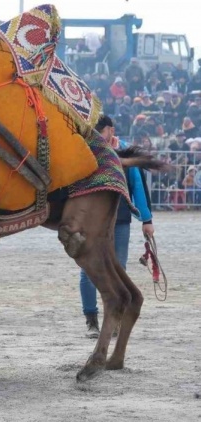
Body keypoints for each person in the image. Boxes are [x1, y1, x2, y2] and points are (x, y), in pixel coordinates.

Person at [79, 115, 154, 338]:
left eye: (99, 132)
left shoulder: (124, 154)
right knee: (88, 270)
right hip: (90, 221)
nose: (95, 137)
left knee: (118, 269)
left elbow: (138, 187)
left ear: (110, 130)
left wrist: (147, 220)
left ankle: (115, 319)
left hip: (120, 218)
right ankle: (91, 320)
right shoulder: (85, 152)